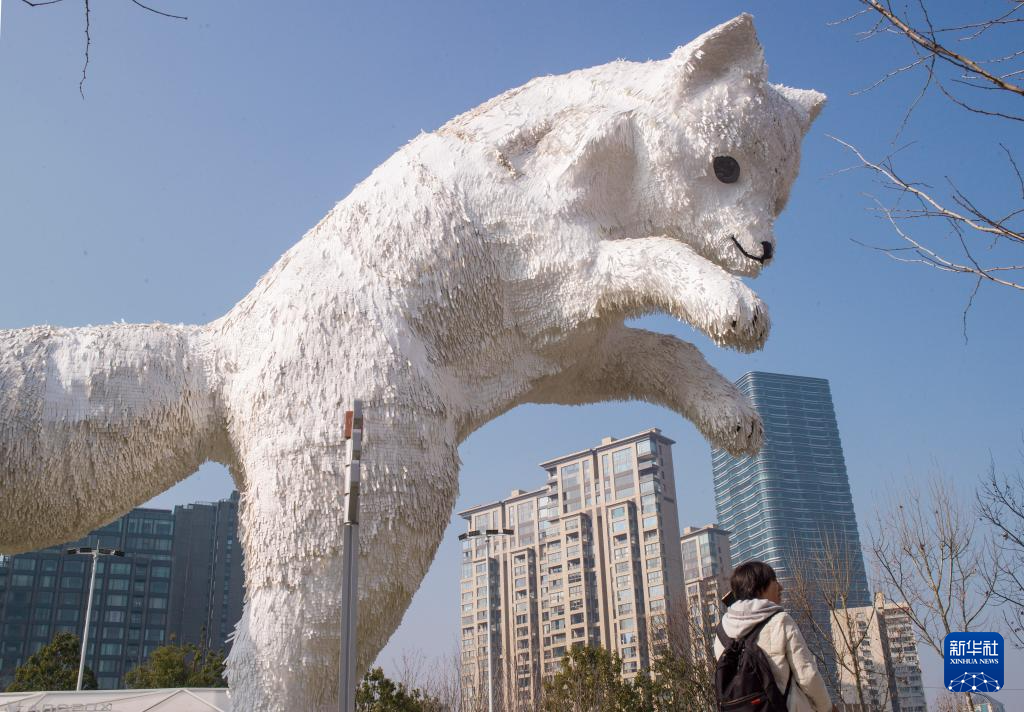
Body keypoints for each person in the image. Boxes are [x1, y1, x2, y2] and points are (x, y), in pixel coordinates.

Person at [714, 561, 837, 712]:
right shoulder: (780, 620)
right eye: (774, 580)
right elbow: (807, 676)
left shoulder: (721, 632)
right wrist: (827, 708)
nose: (780, 587)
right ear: (758, 587)